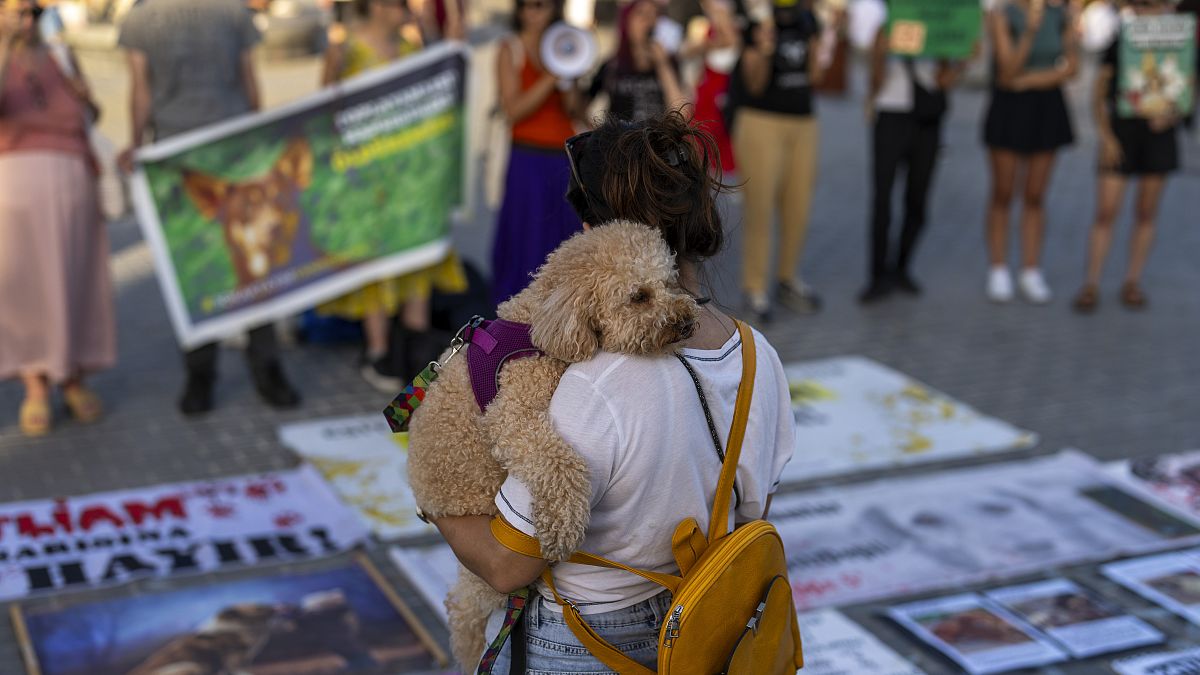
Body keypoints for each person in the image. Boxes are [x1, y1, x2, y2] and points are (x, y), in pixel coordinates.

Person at [431, 112, 795, 671]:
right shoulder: (757, 355)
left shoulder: (595, 386)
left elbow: (506, 566)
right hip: (707, 631)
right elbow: (751, 505)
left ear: (596, 238)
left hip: (581, 643)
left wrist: (438, 494)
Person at [119, 0, 300, 415]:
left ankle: (217, 376)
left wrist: (135, 138)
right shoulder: (231, 10)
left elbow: (140, 87)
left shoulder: (144, 16)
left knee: (223, 265)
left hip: (202, 153)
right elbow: (249, 80)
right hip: (197, 157)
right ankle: (238, 371)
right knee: (216, 266)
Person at [318, 0, 468, 391]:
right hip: (368, 179)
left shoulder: (408, 48)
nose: (407, 7)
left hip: (409, 179)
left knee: (415, 259)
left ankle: (415, 352)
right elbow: (324, 112)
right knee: (376, 261)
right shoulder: (346, 49)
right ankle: (379, 352)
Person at [0, 0, 114, 436]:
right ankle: (34, 385)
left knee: (74, 285)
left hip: (73, 188)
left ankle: (72, 376)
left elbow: (90, 116)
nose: (24, 20)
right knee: (26, 293)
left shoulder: (60, 54)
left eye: (30, 11)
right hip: (15, 196)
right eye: (13, 11)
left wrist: (91, 102)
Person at [1072, 0, 1187, 313]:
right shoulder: (1121, 39)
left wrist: (1172, 115)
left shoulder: (1180, 39)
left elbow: (1188, 87)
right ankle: (1091, 282)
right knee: (1106, 211)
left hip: (1159, 134)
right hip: (1121, 133)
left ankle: (1132, 281)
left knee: (1146, 211)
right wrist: (1106, 136)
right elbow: (1098, 90)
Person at [859, 0, 972, 303]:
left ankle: (902, 268)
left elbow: (944, 80)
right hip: (890, 115)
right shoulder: (886, 29)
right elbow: (874, 82)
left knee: (918, 197)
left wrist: (961, 60)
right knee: (882, 199)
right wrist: (882, 50)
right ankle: (877, 275)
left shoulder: (940, 31)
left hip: (926, 120)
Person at [729, 0, 826, 322]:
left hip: (803, 122)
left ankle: (787, 278)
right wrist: (766, 44)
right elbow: (754, 84)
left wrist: (821, 39)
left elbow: (814, 75)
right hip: (761, 121)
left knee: (798, 207)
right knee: (760, 208)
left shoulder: (808, 19)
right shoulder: (756, 20)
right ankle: (754, 287)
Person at [982, 0, 1078, 304]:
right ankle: (998, 268)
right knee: (1003, 192)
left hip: (1046, 109)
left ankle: (1031, 269)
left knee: (1035, 194)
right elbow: (1007, 70)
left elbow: (1072, 68)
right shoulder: (1002, 16)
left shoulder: (1060, 15)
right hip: (1009, 110)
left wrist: (1028, 81)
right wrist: (1029, 32)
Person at [489, 0, 583, 307]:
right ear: (519, 11)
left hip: (561, 158)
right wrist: (551, 77)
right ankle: (516, 317)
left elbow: (575, 110)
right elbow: (513, 109)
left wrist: (569, 77)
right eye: (530, 5)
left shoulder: (565, 44)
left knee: (563, 243)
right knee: (525, 241)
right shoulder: (510, 49)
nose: (536, 12)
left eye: (543, 5)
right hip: (526, 159)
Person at [588, 0, 689, 122]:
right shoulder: (612, 66)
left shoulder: (669, 64)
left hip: (656, 139)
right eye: (641, 13)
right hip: (620, 139)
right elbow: (580, 107)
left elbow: (682, 114)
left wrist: (663, 65)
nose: (649, 20)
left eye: (655, 15)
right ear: (627, 22)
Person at [682, 0, 739, 173]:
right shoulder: (712, 25)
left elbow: (730, 41)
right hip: (708, 87)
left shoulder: (723, 23)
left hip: (716, 89)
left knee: (708, 132)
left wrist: (702, 47)